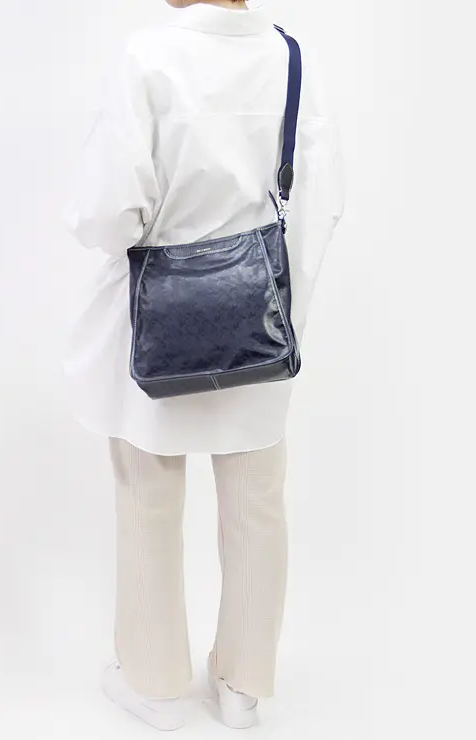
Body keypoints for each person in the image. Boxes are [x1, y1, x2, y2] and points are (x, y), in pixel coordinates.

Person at [61, 0, 345, 730]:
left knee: (147, 496)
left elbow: (106, 212)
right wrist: (285, 312)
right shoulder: (291, 58)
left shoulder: (148, 56)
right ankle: (243, 687)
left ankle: (154, 685)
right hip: (260, 321)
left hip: (153, 323)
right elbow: (320, 202)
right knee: (257, 502)